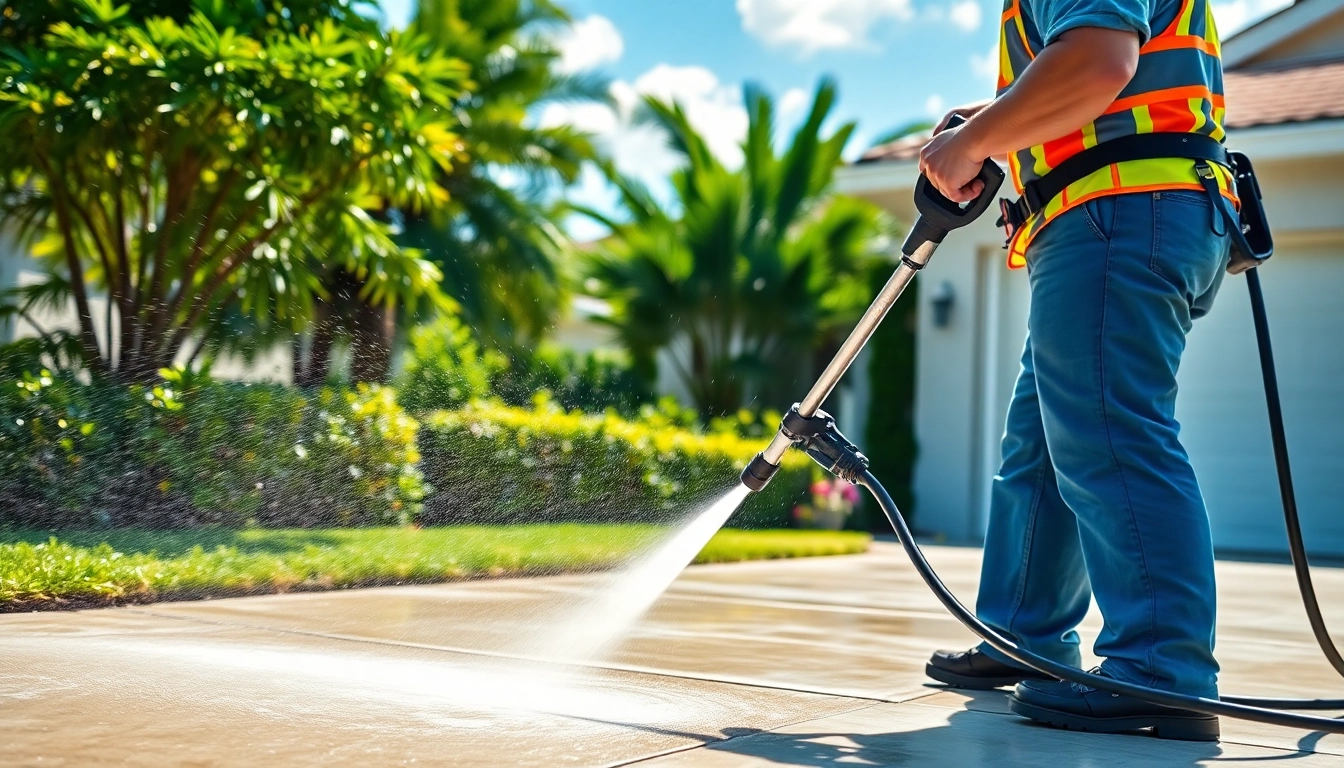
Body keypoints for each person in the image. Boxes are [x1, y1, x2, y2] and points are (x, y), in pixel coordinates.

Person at [917, 0, 1237, 743]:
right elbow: (1092, 67)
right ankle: (1024, 637)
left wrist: (976, 143)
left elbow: (1098, 64)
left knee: (1109, 436)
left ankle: (1162, 673)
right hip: (1112, 211)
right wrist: (993, 121)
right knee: (1042, 445)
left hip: (1121, 209)